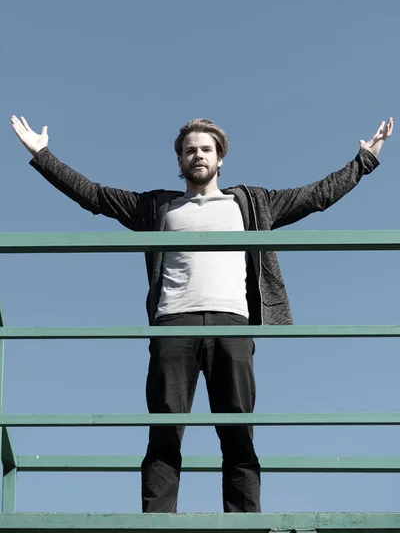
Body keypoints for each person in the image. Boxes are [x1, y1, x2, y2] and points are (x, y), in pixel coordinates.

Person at [10, 114, 393, 513]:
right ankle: (158, 522)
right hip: (174, 325)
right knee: (164, 434)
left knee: (239, 435)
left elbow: (315, 196)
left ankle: (245, 522)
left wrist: (363, 160)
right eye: (190, 150)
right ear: (180, 159)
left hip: (233, 325)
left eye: (206, 149)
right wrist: (42, 154)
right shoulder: (157, 206)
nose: (198, 155)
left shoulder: (251, 203)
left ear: (220, 158)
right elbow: (94, 196)